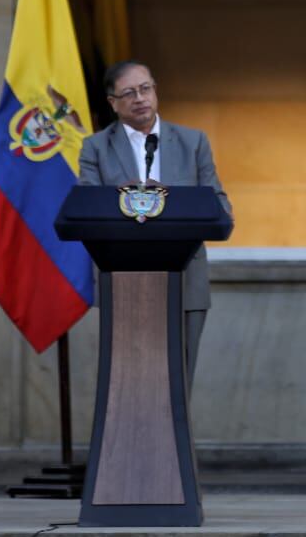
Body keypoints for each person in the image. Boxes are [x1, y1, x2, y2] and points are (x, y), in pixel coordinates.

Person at [77, 60, 229, 383]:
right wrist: (125, 203)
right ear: (112, 103)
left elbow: (222, 213)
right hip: (123, 284)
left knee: (177, 384)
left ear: (155, 90)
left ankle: (177, 436)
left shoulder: (193, 142)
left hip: (185, 283)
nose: (140, 98)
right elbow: (87, 213)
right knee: (129, 384)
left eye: (145, 88)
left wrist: (171, 201)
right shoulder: (95, 148)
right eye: (129, 93)